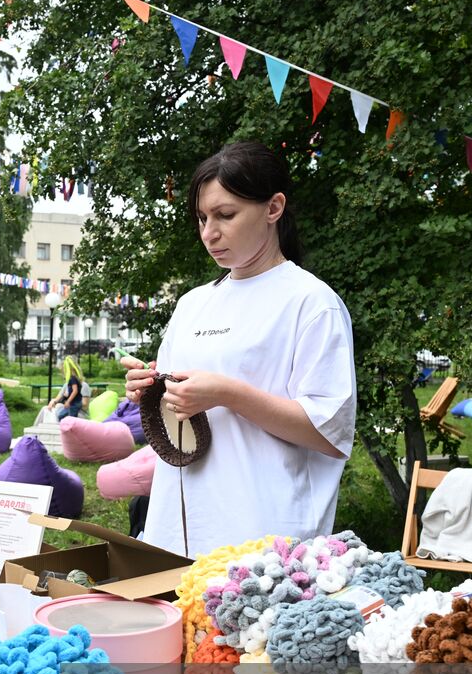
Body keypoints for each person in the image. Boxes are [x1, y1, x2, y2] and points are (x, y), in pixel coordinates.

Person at [122, 141, 356, 556]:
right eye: (202, 218)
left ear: (273, 208)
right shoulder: (193, 303)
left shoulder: (311, 303)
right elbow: (182, 405)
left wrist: (227, 393)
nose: (209, 232)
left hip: (263, 534)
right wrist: (150, 388)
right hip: (179, 527)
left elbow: (330, 432)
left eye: (225, 215)